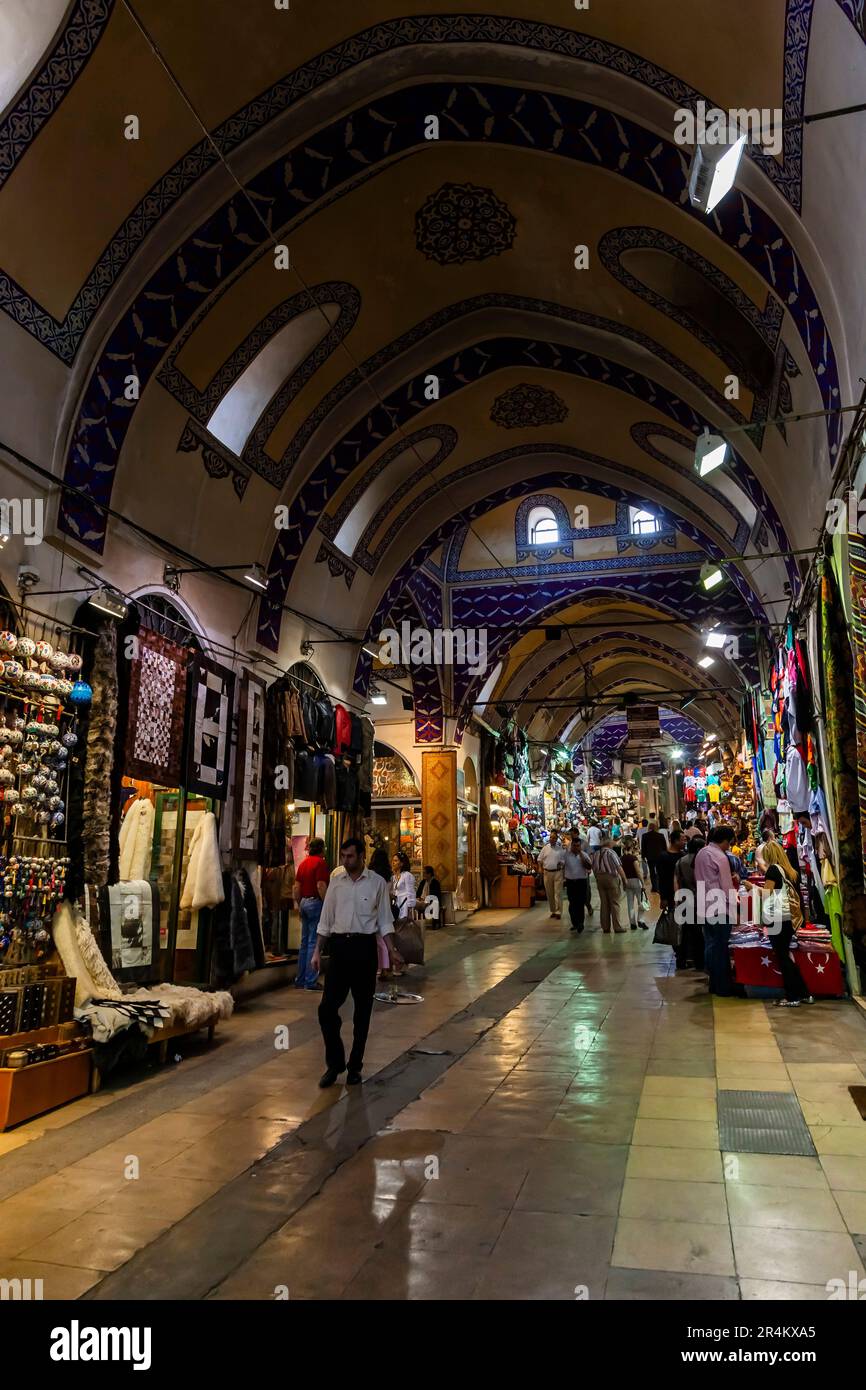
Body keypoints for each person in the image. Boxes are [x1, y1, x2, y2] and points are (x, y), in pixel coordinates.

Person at [313, 837, 399, 1087]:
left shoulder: (377, 884)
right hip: (339, 949)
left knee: (362, 1012)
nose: (345, 861)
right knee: (327, 1008)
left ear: (362, 856)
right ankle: (335, 1062)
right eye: (343, 856)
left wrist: (392, 950)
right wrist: (317, 951)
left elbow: (384, 919)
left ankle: (354, 1066)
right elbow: (325, 920)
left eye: (350, 856)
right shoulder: (336, 883)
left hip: (364, 950)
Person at [761, 864, 812, 1007]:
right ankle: (804, 993)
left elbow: (767, 893)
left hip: (778, 918)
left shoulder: (772, 870)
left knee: (783, 957)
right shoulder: (791, 872)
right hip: (789, 918)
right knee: (785, 956)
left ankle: (793, 997)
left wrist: (750, 887)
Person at [694, 826, 736, 995]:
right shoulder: (720, 856)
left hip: (704, 904)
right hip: (719, 906)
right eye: (729, 843)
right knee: (720, 947)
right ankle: (723, 987)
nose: (729, 846)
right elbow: (726, 885)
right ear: (725, 840)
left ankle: (713, 984)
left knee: (711, 945)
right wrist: (734, 907)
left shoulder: (702, 853)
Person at [292, 836, 329, 990]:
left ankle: (300, 979)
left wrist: (300, 903)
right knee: (314, 942)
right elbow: (321, 885)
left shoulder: (303, 864)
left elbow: (296, 887)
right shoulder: (320, 863)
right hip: (315, 902)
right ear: (321, 849)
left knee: (304, 942)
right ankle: (310, 980)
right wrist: (327, 904)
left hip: (305, 902)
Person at [674, 835, 705, 970]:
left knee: (684, 932)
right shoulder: (702, 861)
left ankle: (681, 960)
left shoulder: (681, 861)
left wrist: (677, 898)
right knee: (699, 933)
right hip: (700, 900)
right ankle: (699, 962)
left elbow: (675, 880)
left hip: (684, 899)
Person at [592, 838, 628, 934]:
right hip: (611, 878)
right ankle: (617, 927)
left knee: (604, 903)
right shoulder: (611, 853)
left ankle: (605, 927)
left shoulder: (596, 854)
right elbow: (618, 867)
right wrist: (624, 880)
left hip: (600, 878)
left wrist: (597, 878)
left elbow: (594, 868)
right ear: (609, 844)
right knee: (614, 902)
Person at [563, 832, 593, 933]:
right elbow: (562, 864)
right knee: (572, 904)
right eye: (574, 846)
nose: (576, 847)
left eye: (578, 846)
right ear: (571, 846)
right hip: (571, 882)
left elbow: (589, 866)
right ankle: (574, 923)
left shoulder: (584, 855)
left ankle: (580, 923)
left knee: (580, 903)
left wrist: (580, 854)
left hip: (581, 881)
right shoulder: (566, 855)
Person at [620, 836, 648, 930]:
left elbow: (621, 872)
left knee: (630, 903)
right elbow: (638, 872)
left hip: (627, 881)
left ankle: (632, 923)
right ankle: (641, 920)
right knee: (641, 901)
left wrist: (624, 883)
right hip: (636, 881)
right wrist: (643, 883)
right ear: (632, 847)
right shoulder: (633, 858)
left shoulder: (621, 859)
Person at [539, 830, 565, 918]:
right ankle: (553, 910)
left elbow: (564, 861)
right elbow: (540, 859)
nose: (552, 839)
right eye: (551, 837)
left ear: (556, 839)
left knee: (558, 893)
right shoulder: (545, 848)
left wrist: (561, 863)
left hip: (557, 873)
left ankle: (558, 911)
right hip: (547, 872)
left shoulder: (560, 849)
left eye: (554, 838)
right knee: (549, 893)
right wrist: (540, 868)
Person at [656, 828, 683, 912]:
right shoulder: (663, 857)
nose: (684, 842)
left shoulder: (683, 855)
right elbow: (661, 878)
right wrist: (663, 898)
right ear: (676, 841)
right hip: (669, 894)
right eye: (683, 840)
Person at [641, 818, 667, 893]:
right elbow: (664, 847)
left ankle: (654, 887)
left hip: (650, 857)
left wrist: (643, 856)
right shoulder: (660, 835)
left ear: (649, 828)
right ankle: (660, 886)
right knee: (659, 872)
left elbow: (643, 847)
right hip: (660, 856)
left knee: (652, 872)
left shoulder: (645, 836)